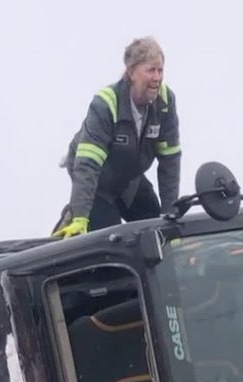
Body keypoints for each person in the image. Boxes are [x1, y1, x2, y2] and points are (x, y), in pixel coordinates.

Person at [54, 37, 181, 237]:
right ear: (131, 73)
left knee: (156, 225)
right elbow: (88, 164)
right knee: (111, 237)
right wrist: (81, 218)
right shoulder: (105, 104)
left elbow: (170, 161)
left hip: (129, 179)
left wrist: (170, 214)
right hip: (97, 183)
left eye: (160, 70)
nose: (157, 77)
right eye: (151, 70)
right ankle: (74, 214)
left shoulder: (165, 102)